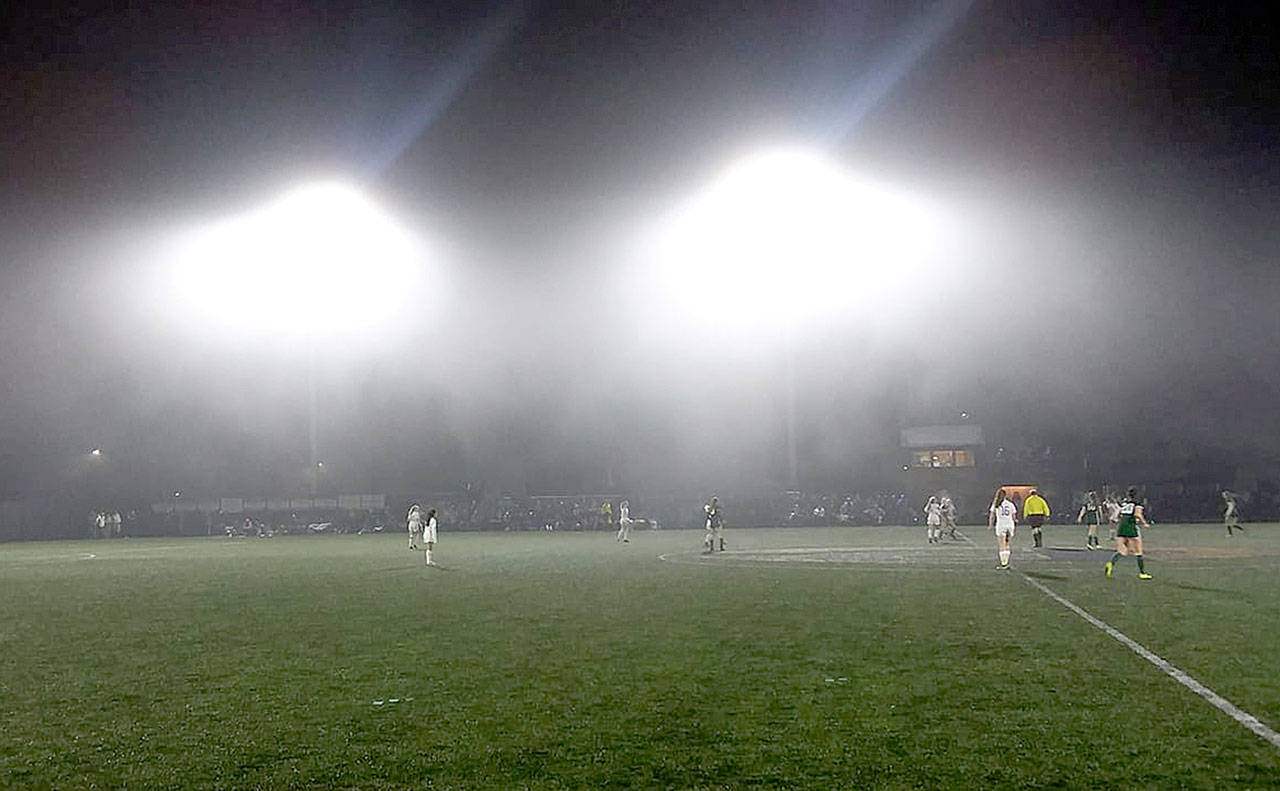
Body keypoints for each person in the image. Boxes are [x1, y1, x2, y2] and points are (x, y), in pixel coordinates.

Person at [1105, 487, 1152, 579]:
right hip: (1130, 525)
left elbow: (1117, 514)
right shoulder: (1137, 504)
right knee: (1138, 550)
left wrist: (1117, 519)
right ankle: (1142, 573)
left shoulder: (1124, 504)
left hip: (1122, 526)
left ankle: (1111, 563)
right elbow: (1137, 514)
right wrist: (1144, 523)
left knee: (1122, 551)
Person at [988, 488, 1017, 570]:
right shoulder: (1010, 504)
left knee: (1001, 545)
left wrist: (991, 525)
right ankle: (1006, 562)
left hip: (1001, 525)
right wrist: (1015, 521)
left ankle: (1004, 563)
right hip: (1010, 525)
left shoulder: (996, 504)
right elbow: (1014, 516)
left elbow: (992, 516)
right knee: (1007, 544)